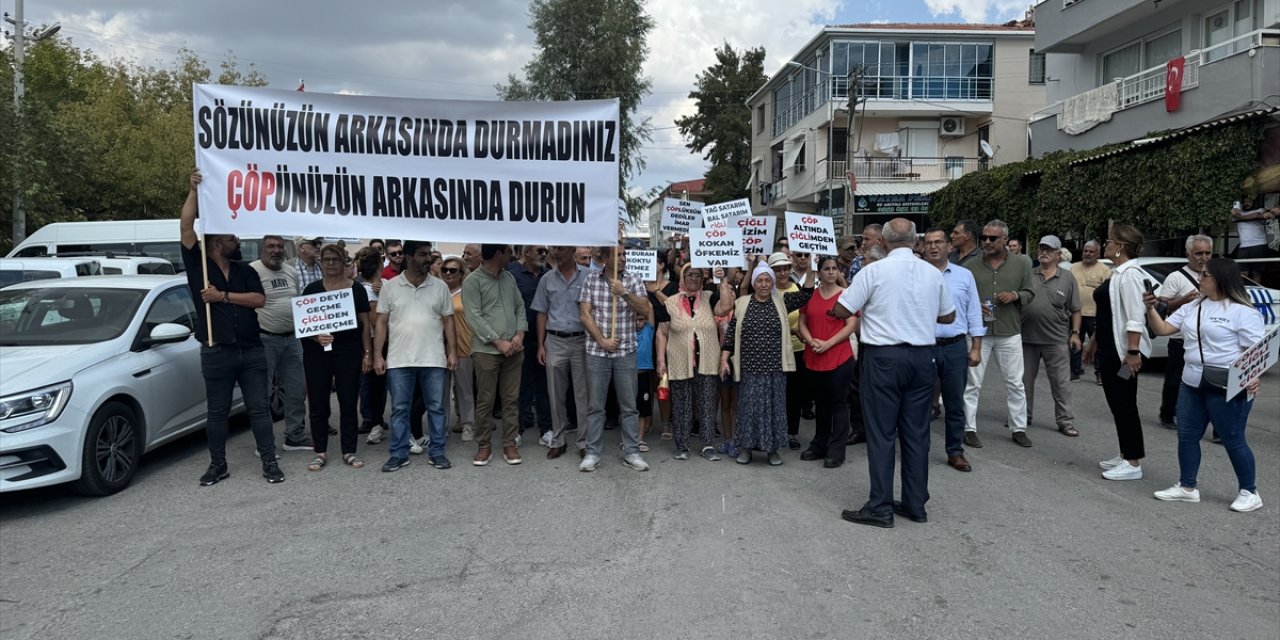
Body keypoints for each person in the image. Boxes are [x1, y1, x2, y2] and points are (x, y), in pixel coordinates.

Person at [835, 218, 955, 528]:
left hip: (884, 358)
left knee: (882, 432)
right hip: (922, 357)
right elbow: (949, 314)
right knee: (916, 433)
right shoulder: (933, 273)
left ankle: (880, 506)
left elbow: (843, 310)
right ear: (916, 242)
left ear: (883, 243)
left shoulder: (873, 271)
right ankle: (915, 504)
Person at [178, 170, 283, 486]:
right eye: (230, 237)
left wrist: (221, 296)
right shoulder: (199, 265)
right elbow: (185, 226)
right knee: (217, 413)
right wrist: (194, 191)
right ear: (215, 242)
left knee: (259, 411)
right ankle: (217, 465)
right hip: (216, 350)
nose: (236, 241)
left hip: (250, 350)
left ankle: (269, 462)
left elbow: (258, 300)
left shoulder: (245, 269)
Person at [1143, 258, 1265, 512]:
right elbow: (1164, 329)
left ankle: (1249, 491)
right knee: (1187, 435)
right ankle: (1187, 487)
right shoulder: (1193, 306)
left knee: (1233, 438)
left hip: (1228, 383)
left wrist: (1253, 376)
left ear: (1220, 279)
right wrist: (1150, 309)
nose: (1199, 278)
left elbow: (1257, 352)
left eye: (1205, 275)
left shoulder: (1243, 311)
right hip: (1191, 381)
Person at [374, 240, 458, 472]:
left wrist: (452, 351)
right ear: (409, 257)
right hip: (399, 359)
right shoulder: (390, 286)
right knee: (400, 409)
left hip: (433, 358)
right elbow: (381, 321)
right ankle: (399, 453)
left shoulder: (440, 287)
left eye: (429, 254)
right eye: (422, 254)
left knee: (436, 408)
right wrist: (377, 356)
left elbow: (448, 320)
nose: (428, 258)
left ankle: (437, 452)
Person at [1082, 224, 1158, 481]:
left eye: (1109, 241)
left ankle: (1133, 462)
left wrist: (1133, 352)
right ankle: (1126, 452)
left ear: (1121, 247)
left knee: (1124, 403)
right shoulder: (1118, 273)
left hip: (1125, 353)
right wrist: (1093, 341)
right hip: (1111, 349)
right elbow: (1110, 314)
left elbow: (1135, 316)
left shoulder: (1130, 275)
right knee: (1117, 402)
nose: (1106, 244)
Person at [719, 263, 813, 466]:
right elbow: (731, 334)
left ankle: (772, 450)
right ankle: (746, 449)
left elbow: (806, 293)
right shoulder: (742, 303)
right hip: (749, 368)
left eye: (767, 280)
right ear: (754, 282)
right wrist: (724, 359)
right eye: (760, 280)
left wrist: (812, 267)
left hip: (775, 369)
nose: (763, 284)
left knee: (774, 410)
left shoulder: (781, 301)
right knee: (747, 409)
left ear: (772, 283)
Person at [578, 244, 652, 472]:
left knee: (629, 405)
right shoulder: (591, 280)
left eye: (624, 255)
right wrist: (602, 340)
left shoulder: (633, 279)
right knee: (595, 405)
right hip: (597, 351)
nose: (623, 258)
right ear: (605, 258)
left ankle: (632, 451)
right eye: (618, 255)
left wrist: (624, 293)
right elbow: (584, 314)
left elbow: (646, 307)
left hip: (626, 351)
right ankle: (592, 452)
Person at [962, 220, 1035, 448]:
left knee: (1015, 382)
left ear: (1005, 239)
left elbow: (1030, 292)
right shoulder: (971, 266)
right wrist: (974, 306)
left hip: (1008, 331)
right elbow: (962, 296)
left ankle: (1019, 427)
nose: (987, 242)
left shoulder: (1022, 263)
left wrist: (1015, 295)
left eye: (992, 238)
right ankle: (968, 427)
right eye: (984, 237)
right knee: (972, 383)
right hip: (978, 333)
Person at [301, 244, 372, 472]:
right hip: (317, 354)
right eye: (327, 259)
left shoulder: (357, 290)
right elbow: (303, 325)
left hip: (348, 351)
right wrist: (315, 337)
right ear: (321, 262)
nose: (331, 263)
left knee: (349, 400)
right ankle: (320, 450)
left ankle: (348, 450)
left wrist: (367, 353)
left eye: (336, 259)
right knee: (318, 402)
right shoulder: (311, 290)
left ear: (344, 262)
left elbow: (365, 324)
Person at [921, 229, 984, 473]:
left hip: (955, 347)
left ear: (949, 246)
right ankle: (918, 448)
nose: (933, 247)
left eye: (938, 242)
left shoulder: (964, 275)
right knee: (920, 402)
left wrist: (976, 346)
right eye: (928, 243)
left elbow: (974, 312)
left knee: (955, 402)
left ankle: (955, 451)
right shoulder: (917, 273)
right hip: (923, 346)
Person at [657, 265, 734, 461]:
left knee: (707, 404)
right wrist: (660, 361)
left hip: (707, 360)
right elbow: (662, 332)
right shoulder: (671, 302)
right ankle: (682, 445)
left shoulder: (709, 297)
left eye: (697, 275)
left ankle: (707, 445)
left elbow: (726, 307)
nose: (693, 278)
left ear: (702, 278)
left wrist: (723, 281)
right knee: (681, 404)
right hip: (679, 360)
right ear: (682, 277)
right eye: (689, 274)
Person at [463, 244, 527, 466]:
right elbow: (473, 316)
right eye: (508, 251)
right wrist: (498, 341)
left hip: (514, 350)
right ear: (498, 253)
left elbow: (519, 306)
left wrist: (519, 334)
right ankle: (484, 445)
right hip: (486, 351)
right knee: (486, 400)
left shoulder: (509, 278)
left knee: (511, 399)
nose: (511, 255)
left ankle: (509, 443)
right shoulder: (472, 281)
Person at [248, 235, 310, 451]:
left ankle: (294, 435)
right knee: (262, 393)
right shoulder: (252, 271)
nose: (276, 250)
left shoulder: (291, 272)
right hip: (264, 339)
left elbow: (298, 301)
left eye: (280, 247)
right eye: (271, 246)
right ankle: (264, 443)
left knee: (297, 390)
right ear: (262, 249)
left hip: (292, 339)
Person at [796, 256, 858, 468]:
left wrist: (828, 343)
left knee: (838, 403)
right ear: (819, 272)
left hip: (839, 356)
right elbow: (802, 321)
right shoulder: (810, 295)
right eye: (827, 269)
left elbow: (851, 324)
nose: (831, 272)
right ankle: (819, 444)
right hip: (814, 355)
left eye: (834, 268)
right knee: (821, 403)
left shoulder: (845, 295)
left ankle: (836, 449)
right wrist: (811, 340)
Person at [532, 246, 591, 459]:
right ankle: (558, 439)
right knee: (555, 393)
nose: (556, 253)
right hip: (555, 340)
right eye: (554, 249)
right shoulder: (547, 279)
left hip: (582, 340)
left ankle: (584, 441)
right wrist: (541, 345)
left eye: (560, 249)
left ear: (572, 250)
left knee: (582, 394)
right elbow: (541, 313)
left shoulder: (588, 276)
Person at [1021, 236, 1082, 438]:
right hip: (1026, 339)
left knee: (1061, 384)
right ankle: (1022, 417)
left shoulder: (1067, 278)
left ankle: (1065, 421)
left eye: (1049, 249)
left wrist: (1075, 334)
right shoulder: (1028, 275)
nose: (1044, 252)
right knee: (1022, 382)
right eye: (1041, 249)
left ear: (1058, 254)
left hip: (1056, 340)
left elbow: (1075, 310)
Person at [1154, 235, 1212, 430]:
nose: (1203, 257)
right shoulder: (1176, 277)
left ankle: (1207, 420)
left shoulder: (1216, 276)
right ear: (1188, 254)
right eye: (1198, 253)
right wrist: (1183, 301)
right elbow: (1162, 306)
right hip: (1180, 338)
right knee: (1174, 380)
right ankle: (1167, 414)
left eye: (1207, 253)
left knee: (1208, 383)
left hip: (1207, 340)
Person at [507, 245, 552, 445]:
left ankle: (546, 429)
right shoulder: (511, 274)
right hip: (520, 338)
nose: (543, 254)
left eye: (545, 251)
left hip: (545, 338)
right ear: (526, 253)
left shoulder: (549, 274)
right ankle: (518, 429)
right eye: (539, 250)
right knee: (521, 385)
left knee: (545, 386)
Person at [769, 252, 815, 450]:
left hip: (797, 350)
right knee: (774, 392)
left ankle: (791, 433)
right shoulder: (766, 292)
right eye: (777, 269)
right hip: (772, 352)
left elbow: (806, 305)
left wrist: (813, 266)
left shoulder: (796, 290)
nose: (782, 272)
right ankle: (772, 430)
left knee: (794, 394)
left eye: (785, 268)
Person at [355, 249, 389, 441]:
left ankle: (378, 419)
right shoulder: (361, 288)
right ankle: (374, 421)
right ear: (380, 265)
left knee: (385, 385)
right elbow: (375, 320)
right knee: (374, 384)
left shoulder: (388, 285)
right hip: (375, 341)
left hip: (394, 341)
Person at [1070, 240, 1110, 385]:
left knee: (1098, 345)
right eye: (1085, 251)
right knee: (1075, 343)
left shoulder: (1105, 270)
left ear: (1098, 254)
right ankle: (1074, 371)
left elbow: (1108, 293)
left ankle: (1100, 374)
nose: (1087, 254)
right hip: (1075, 313)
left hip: (1095, 314)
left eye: (1091, 251)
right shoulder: (1073, 268)